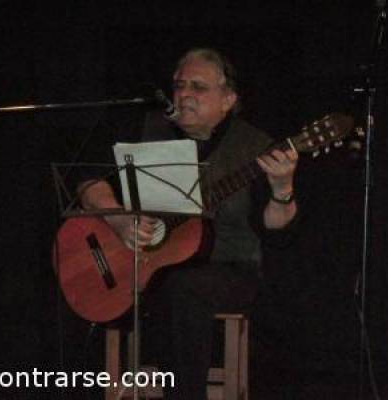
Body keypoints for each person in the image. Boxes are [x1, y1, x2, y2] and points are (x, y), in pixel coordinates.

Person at [78, 48, 299, 400]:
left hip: (229, 269)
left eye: (199, 87)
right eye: (180, 85)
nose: (185, 94)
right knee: (109, 280)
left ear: (228, 99)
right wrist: (119, 219)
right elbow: (87, 179)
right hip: (147, 263)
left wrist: (283, 188)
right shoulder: (146, 127)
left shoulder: (254, 145)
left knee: (185, 285)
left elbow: (275, 224)